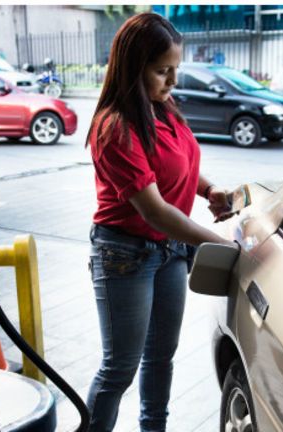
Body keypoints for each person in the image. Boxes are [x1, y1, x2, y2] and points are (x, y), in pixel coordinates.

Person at [84, 12, 233, 432]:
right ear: (133, 69)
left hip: (168, 251)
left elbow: (178, 163)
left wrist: (209, 191)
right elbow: (154, 209)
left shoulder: (163, 109)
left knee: (160, 358)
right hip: (124, 255)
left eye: (175, 70)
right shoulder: (114, 127)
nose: (172, 82)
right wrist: (218, 245)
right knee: (119, 369)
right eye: (161, 71)